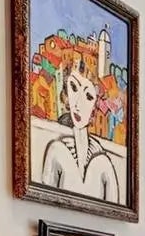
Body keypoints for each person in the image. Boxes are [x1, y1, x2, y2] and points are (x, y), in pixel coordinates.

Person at [35, 33, 123, 204]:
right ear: (66, 95)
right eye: (74, 88)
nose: (78, 103)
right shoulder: (56, 151)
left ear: (95, 107)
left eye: (88, 96)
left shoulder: (103, 164)